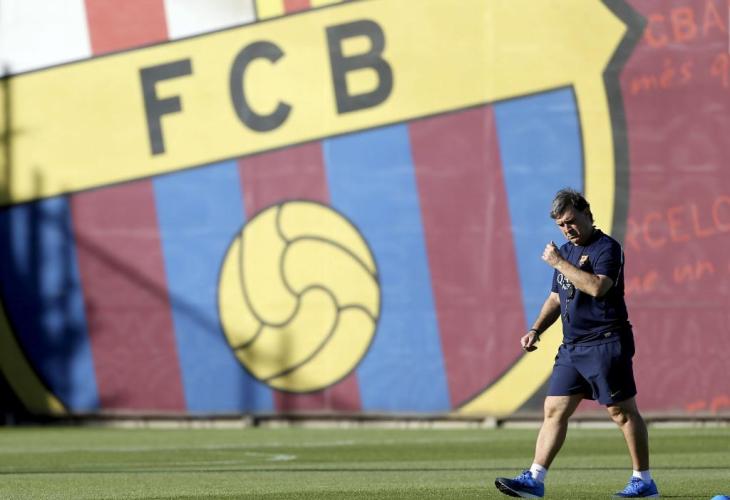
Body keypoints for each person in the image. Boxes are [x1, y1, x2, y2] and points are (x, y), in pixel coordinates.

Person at [494, 188, 659, 498]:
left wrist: (558, 262)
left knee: (622, 412)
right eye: (560, 224)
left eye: (570, 221)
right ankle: (535, 479)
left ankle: (644, 481)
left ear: (587, 213)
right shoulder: (566, 252)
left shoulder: (606, 248)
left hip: (605, 341)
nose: (566, 229)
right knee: (554, 410)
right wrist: (536, 329)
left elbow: (597, 287)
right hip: (572, 347)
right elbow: (556, 298)